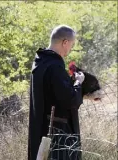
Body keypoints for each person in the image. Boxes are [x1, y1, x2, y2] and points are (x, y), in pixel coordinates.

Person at [28, 25, 85, 160]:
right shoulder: (54, 66)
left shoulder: (40, 62)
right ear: (65, 42)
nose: (70, 49)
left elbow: (54, 94)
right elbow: (70, 100)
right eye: (71, 45)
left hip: (41, 131)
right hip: (58, 136)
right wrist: (78, 83)